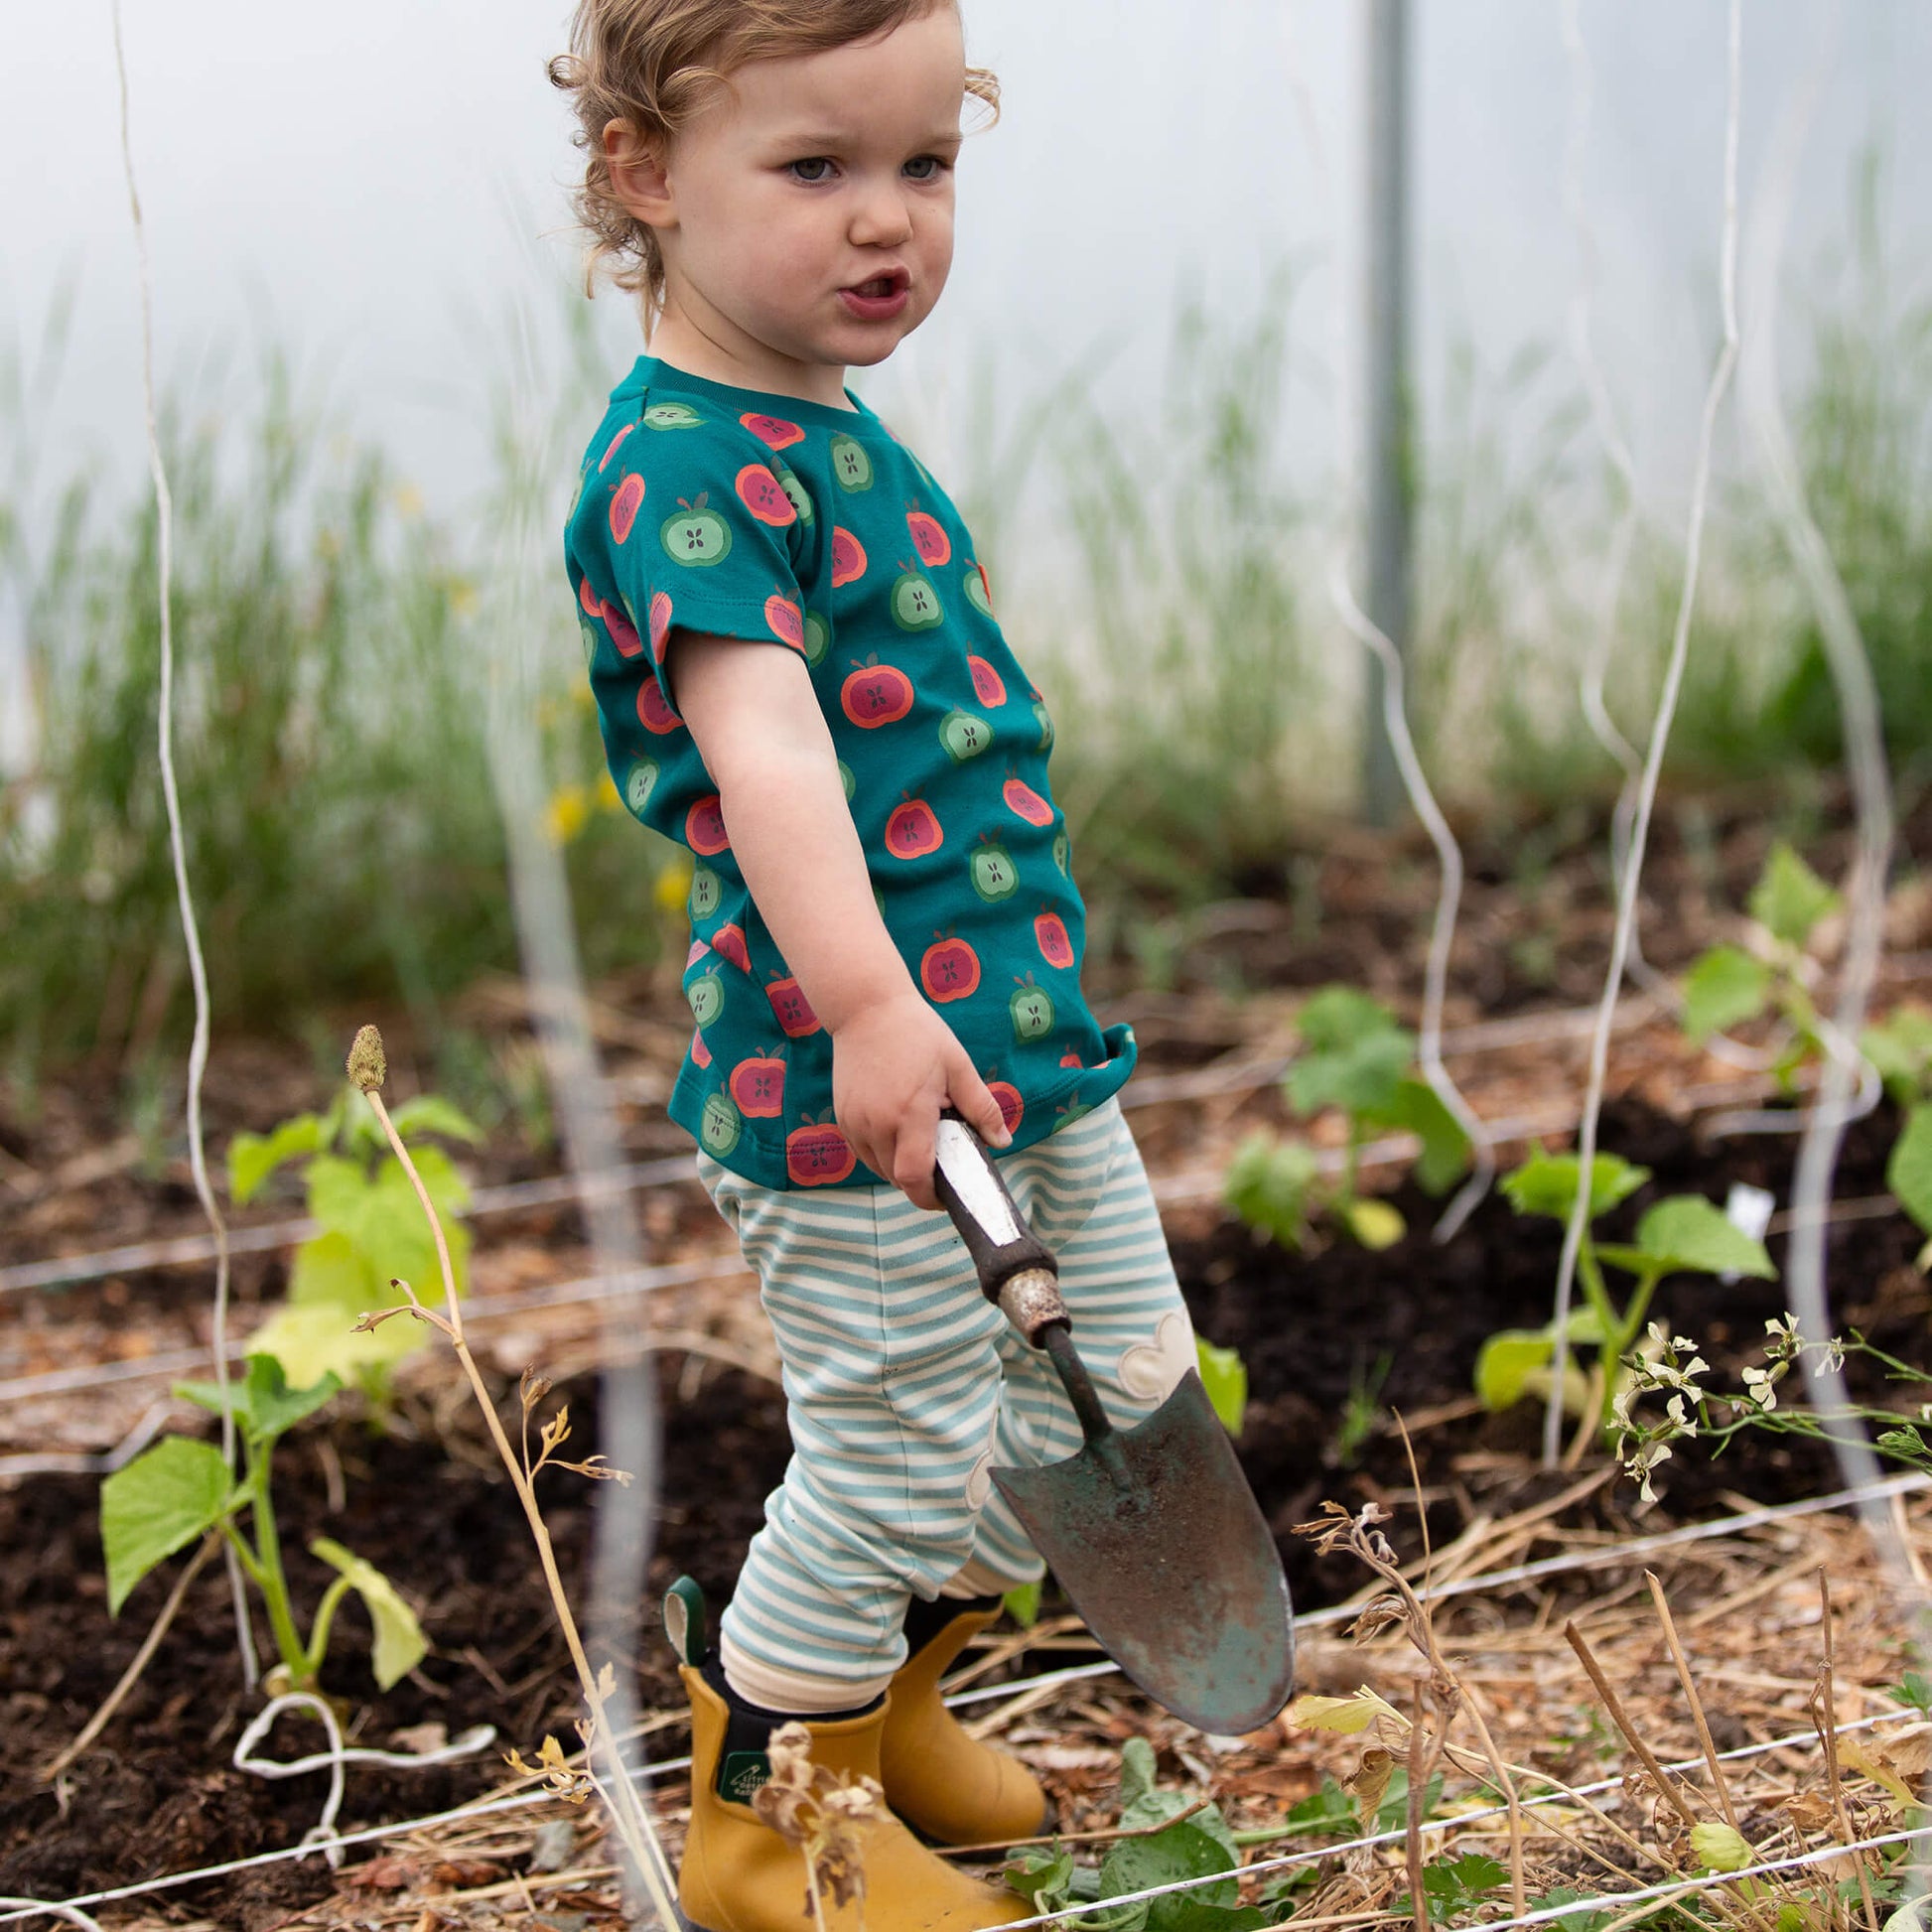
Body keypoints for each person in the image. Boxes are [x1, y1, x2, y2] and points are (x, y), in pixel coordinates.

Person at [551, 4, 1202, 1924]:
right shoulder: (681, 468)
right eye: (816, 169)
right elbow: (767, 758)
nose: (887, 223)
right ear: (645, 177)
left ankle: (880, 1709)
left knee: (1120, 1388)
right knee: (902, 1436)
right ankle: (771, 1817)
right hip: (851, 1081)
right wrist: (862, 1007)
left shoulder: (811, 418)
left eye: (925, 167)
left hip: (1012, 1051)